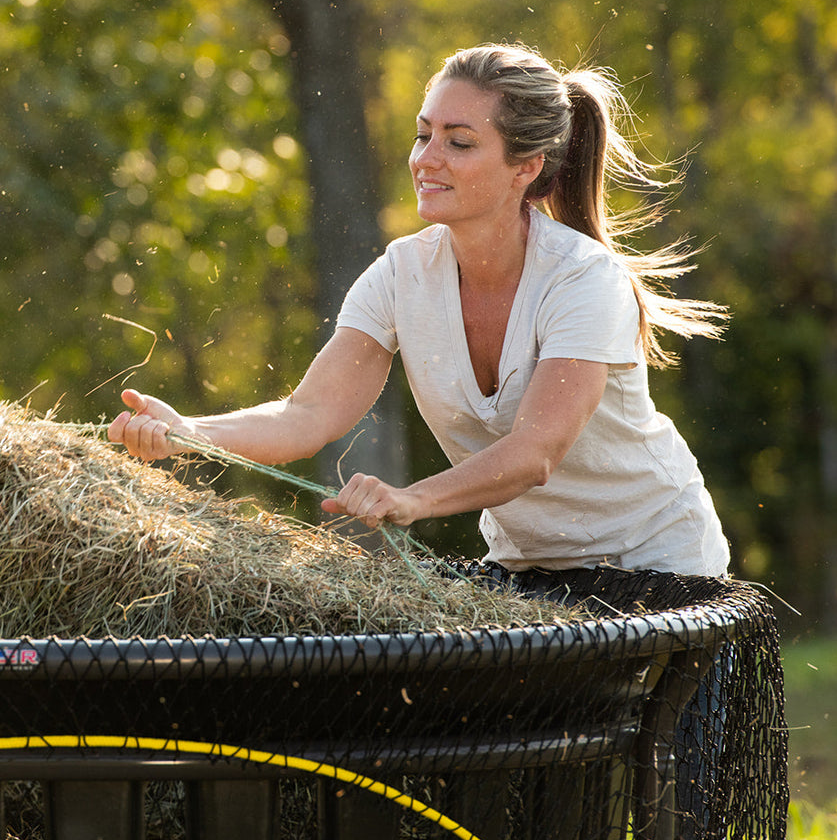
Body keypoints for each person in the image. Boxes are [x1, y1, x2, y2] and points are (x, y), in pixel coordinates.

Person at [109, 42, 730, 579]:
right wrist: (191, 433)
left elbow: (534, 454)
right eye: (423, 133)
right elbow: (309, 414)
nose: (425, 158)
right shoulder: (401, 273)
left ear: (527, 167)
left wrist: (411, 499)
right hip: (528, 570)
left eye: (458, 142)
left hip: (659, 559)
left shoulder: (585, 280)